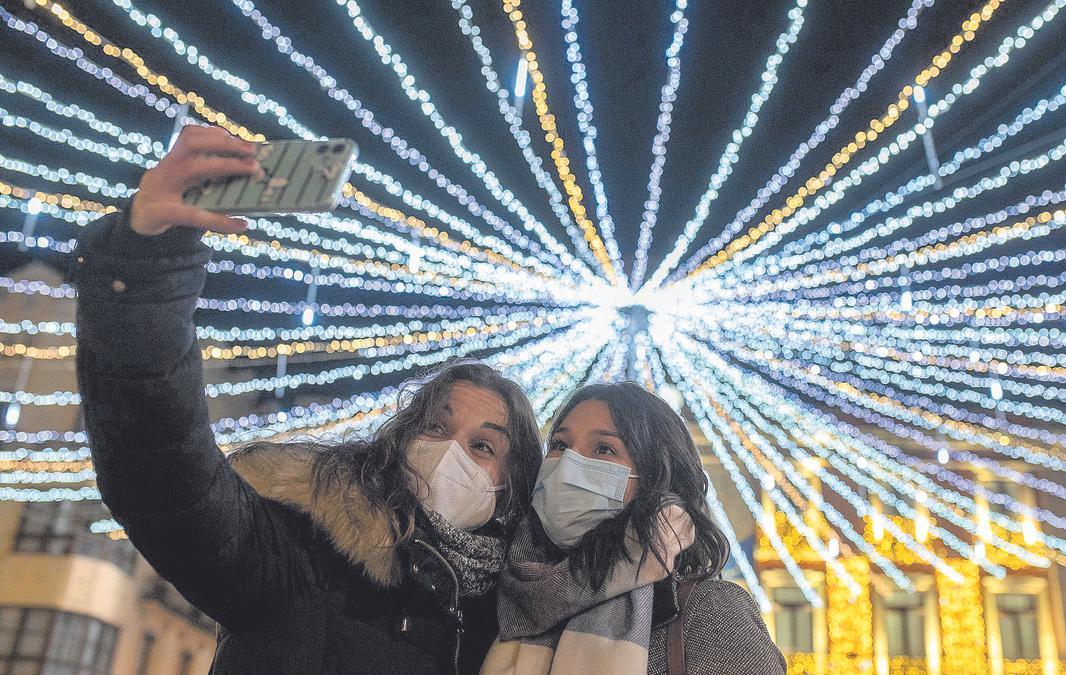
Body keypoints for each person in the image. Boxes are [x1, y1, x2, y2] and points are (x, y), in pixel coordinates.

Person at [70, 125, 542, 673]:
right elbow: (163, 467)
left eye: (483, 446)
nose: (451, 452)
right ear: (401, 439)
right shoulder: (297, 555)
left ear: (511, 487)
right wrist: (146, 266)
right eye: (435, 427)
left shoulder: (511, 628)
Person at [481, 382, 785, 675]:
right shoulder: (506, 602)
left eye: (604, 449)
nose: (568, 464)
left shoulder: (708, 612)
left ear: (655, 477)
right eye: (560, 444)